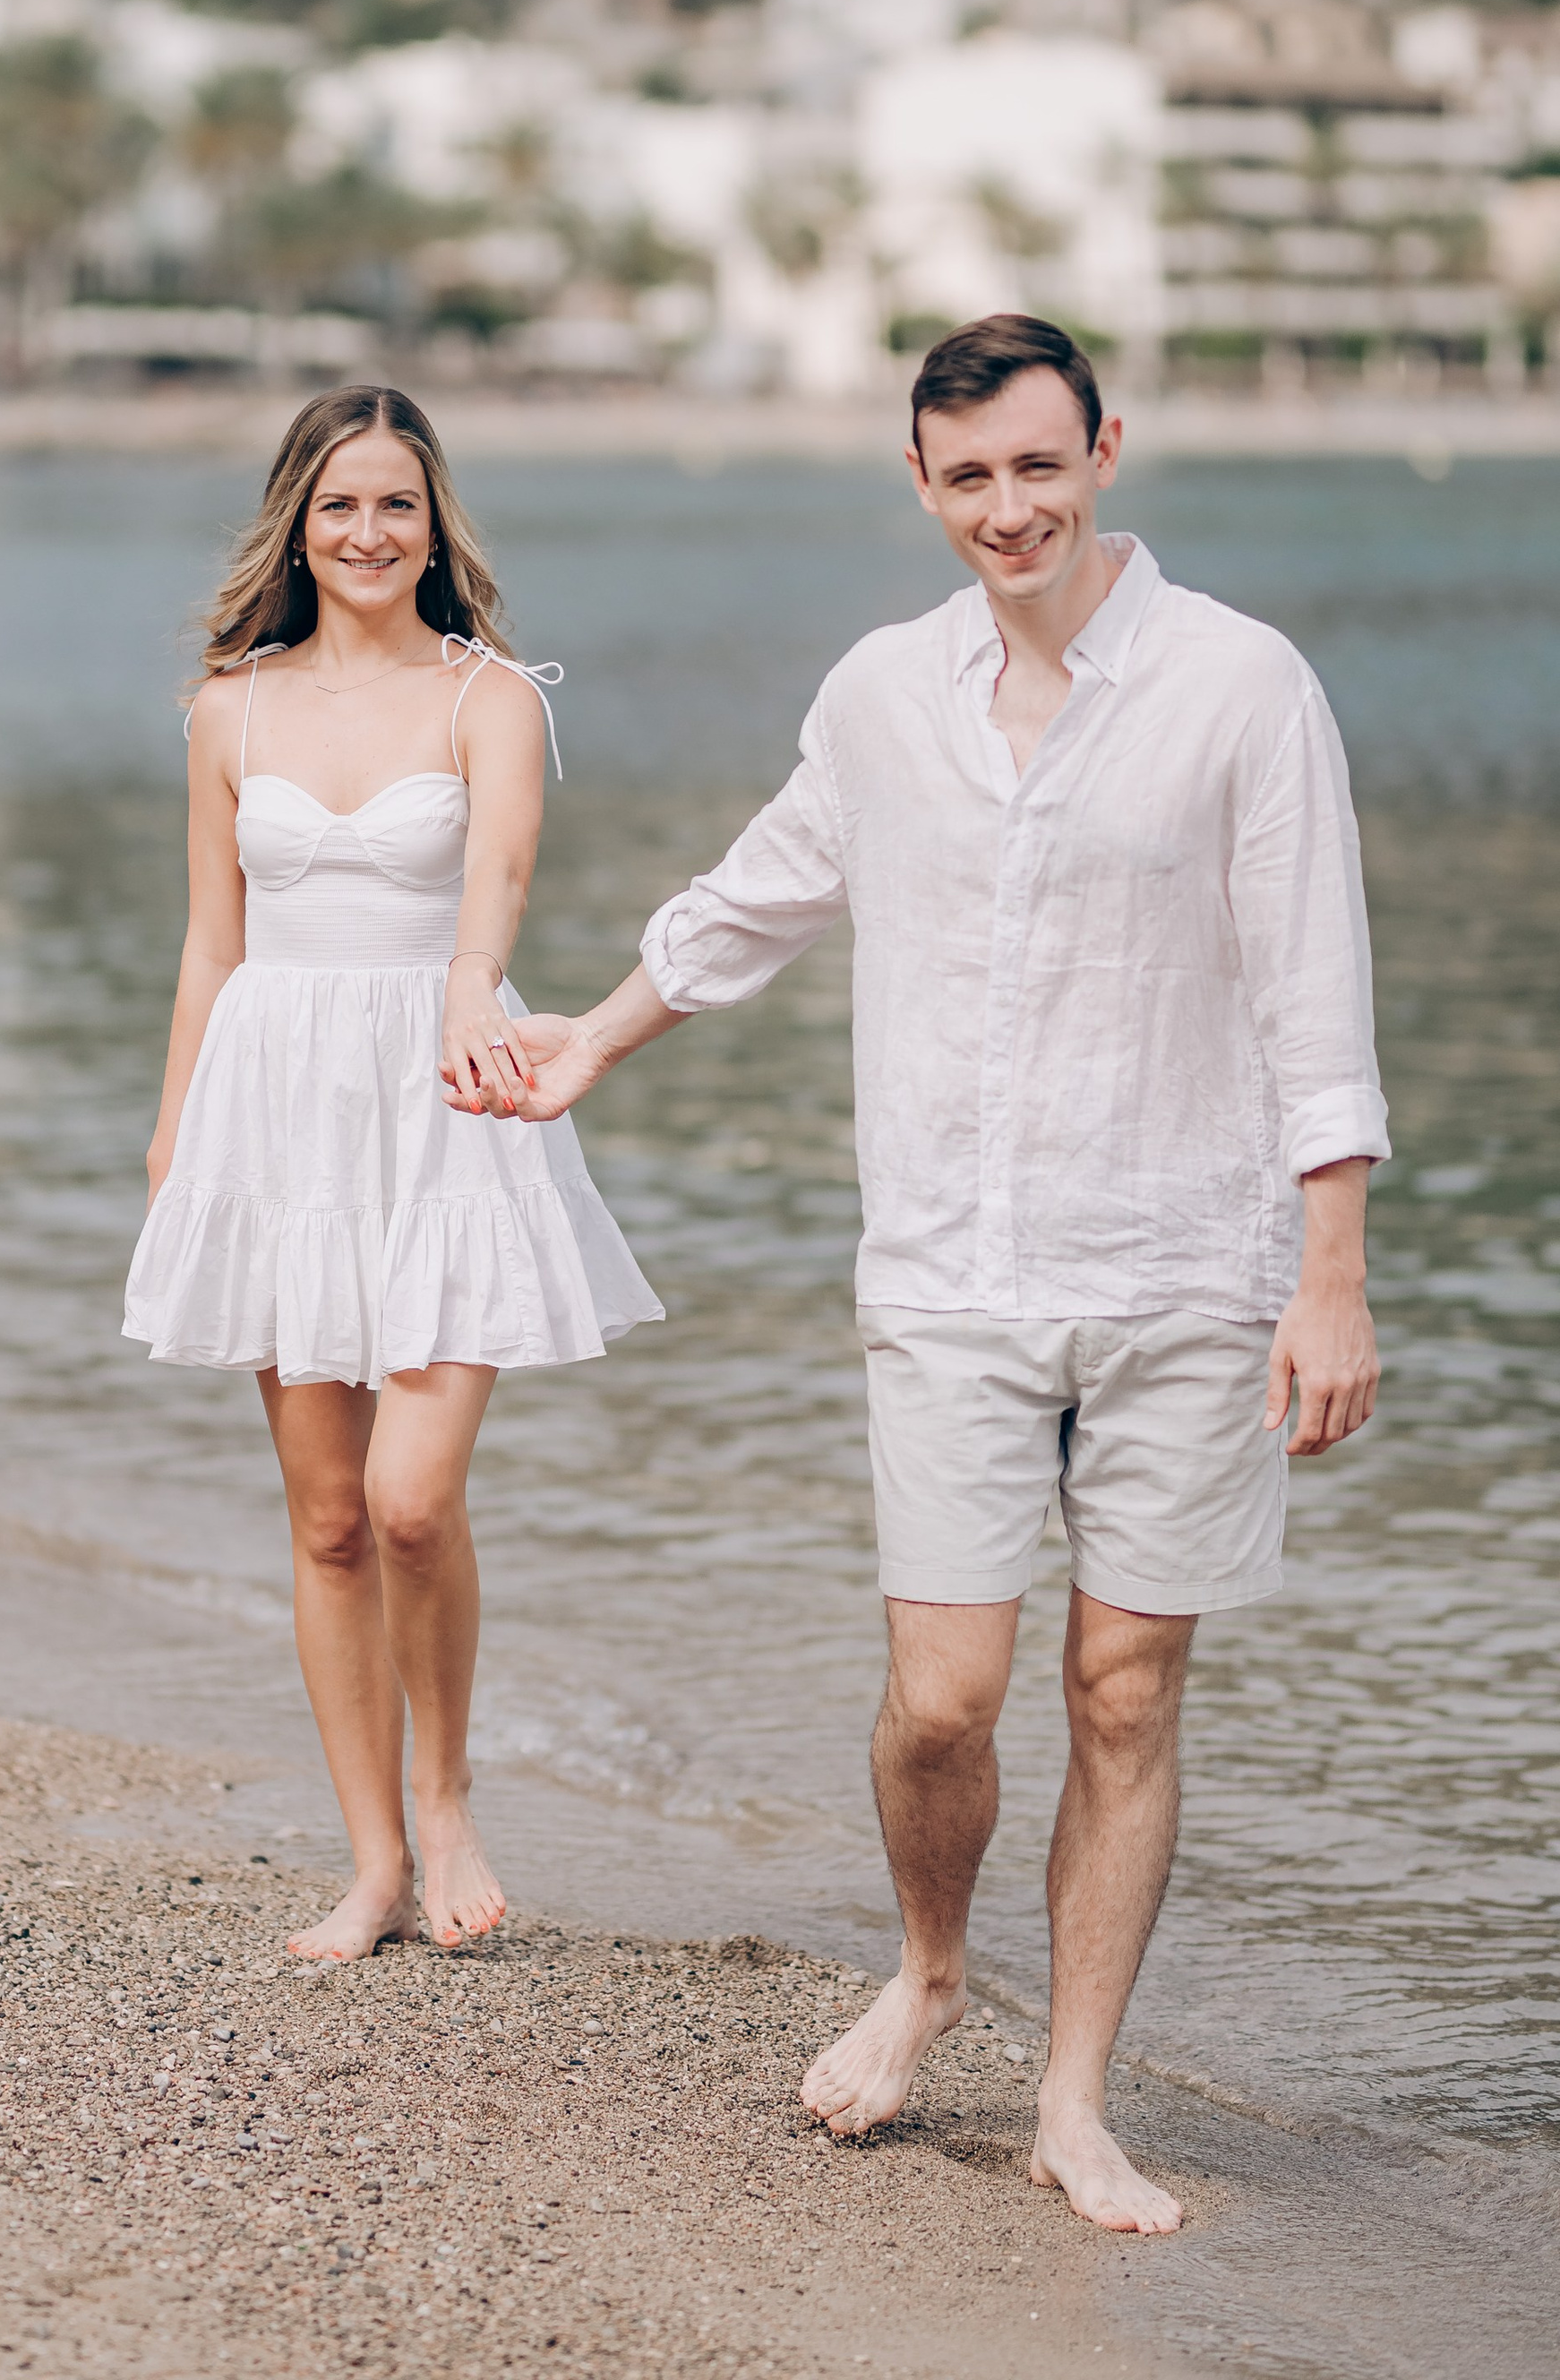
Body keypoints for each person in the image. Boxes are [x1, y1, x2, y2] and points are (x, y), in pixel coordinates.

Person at [504, 314, 1385, 2233]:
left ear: (1104, 454)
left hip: (1186, 1267)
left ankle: (1072, 2100)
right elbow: (759, 891)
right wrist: (587, 1035)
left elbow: (1315, 989)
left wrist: (1331, 1268)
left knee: (1127, 1688)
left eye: (1038, 466)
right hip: (949, 1272)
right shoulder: (878, 694)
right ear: (921, 483)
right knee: (939, 1701)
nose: (1008, 507)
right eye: (967, 476)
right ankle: (925, 1969)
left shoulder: (1239, 685)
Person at [125, 384, 661, 1960]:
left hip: (443, 1097)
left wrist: (465, 991)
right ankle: (367, 1860)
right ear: (299, 518)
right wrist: (174, 1133)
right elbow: (211, 940)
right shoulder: (232, 707)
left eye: (399, 505)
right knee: (329, 1518)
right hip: (275, 1111)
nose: (370, 533)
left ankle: (446, 1798)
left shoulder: (487, 696)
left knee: (414, 1500)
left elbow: (493, 879)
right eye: (342, 504)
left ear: (437, 527)